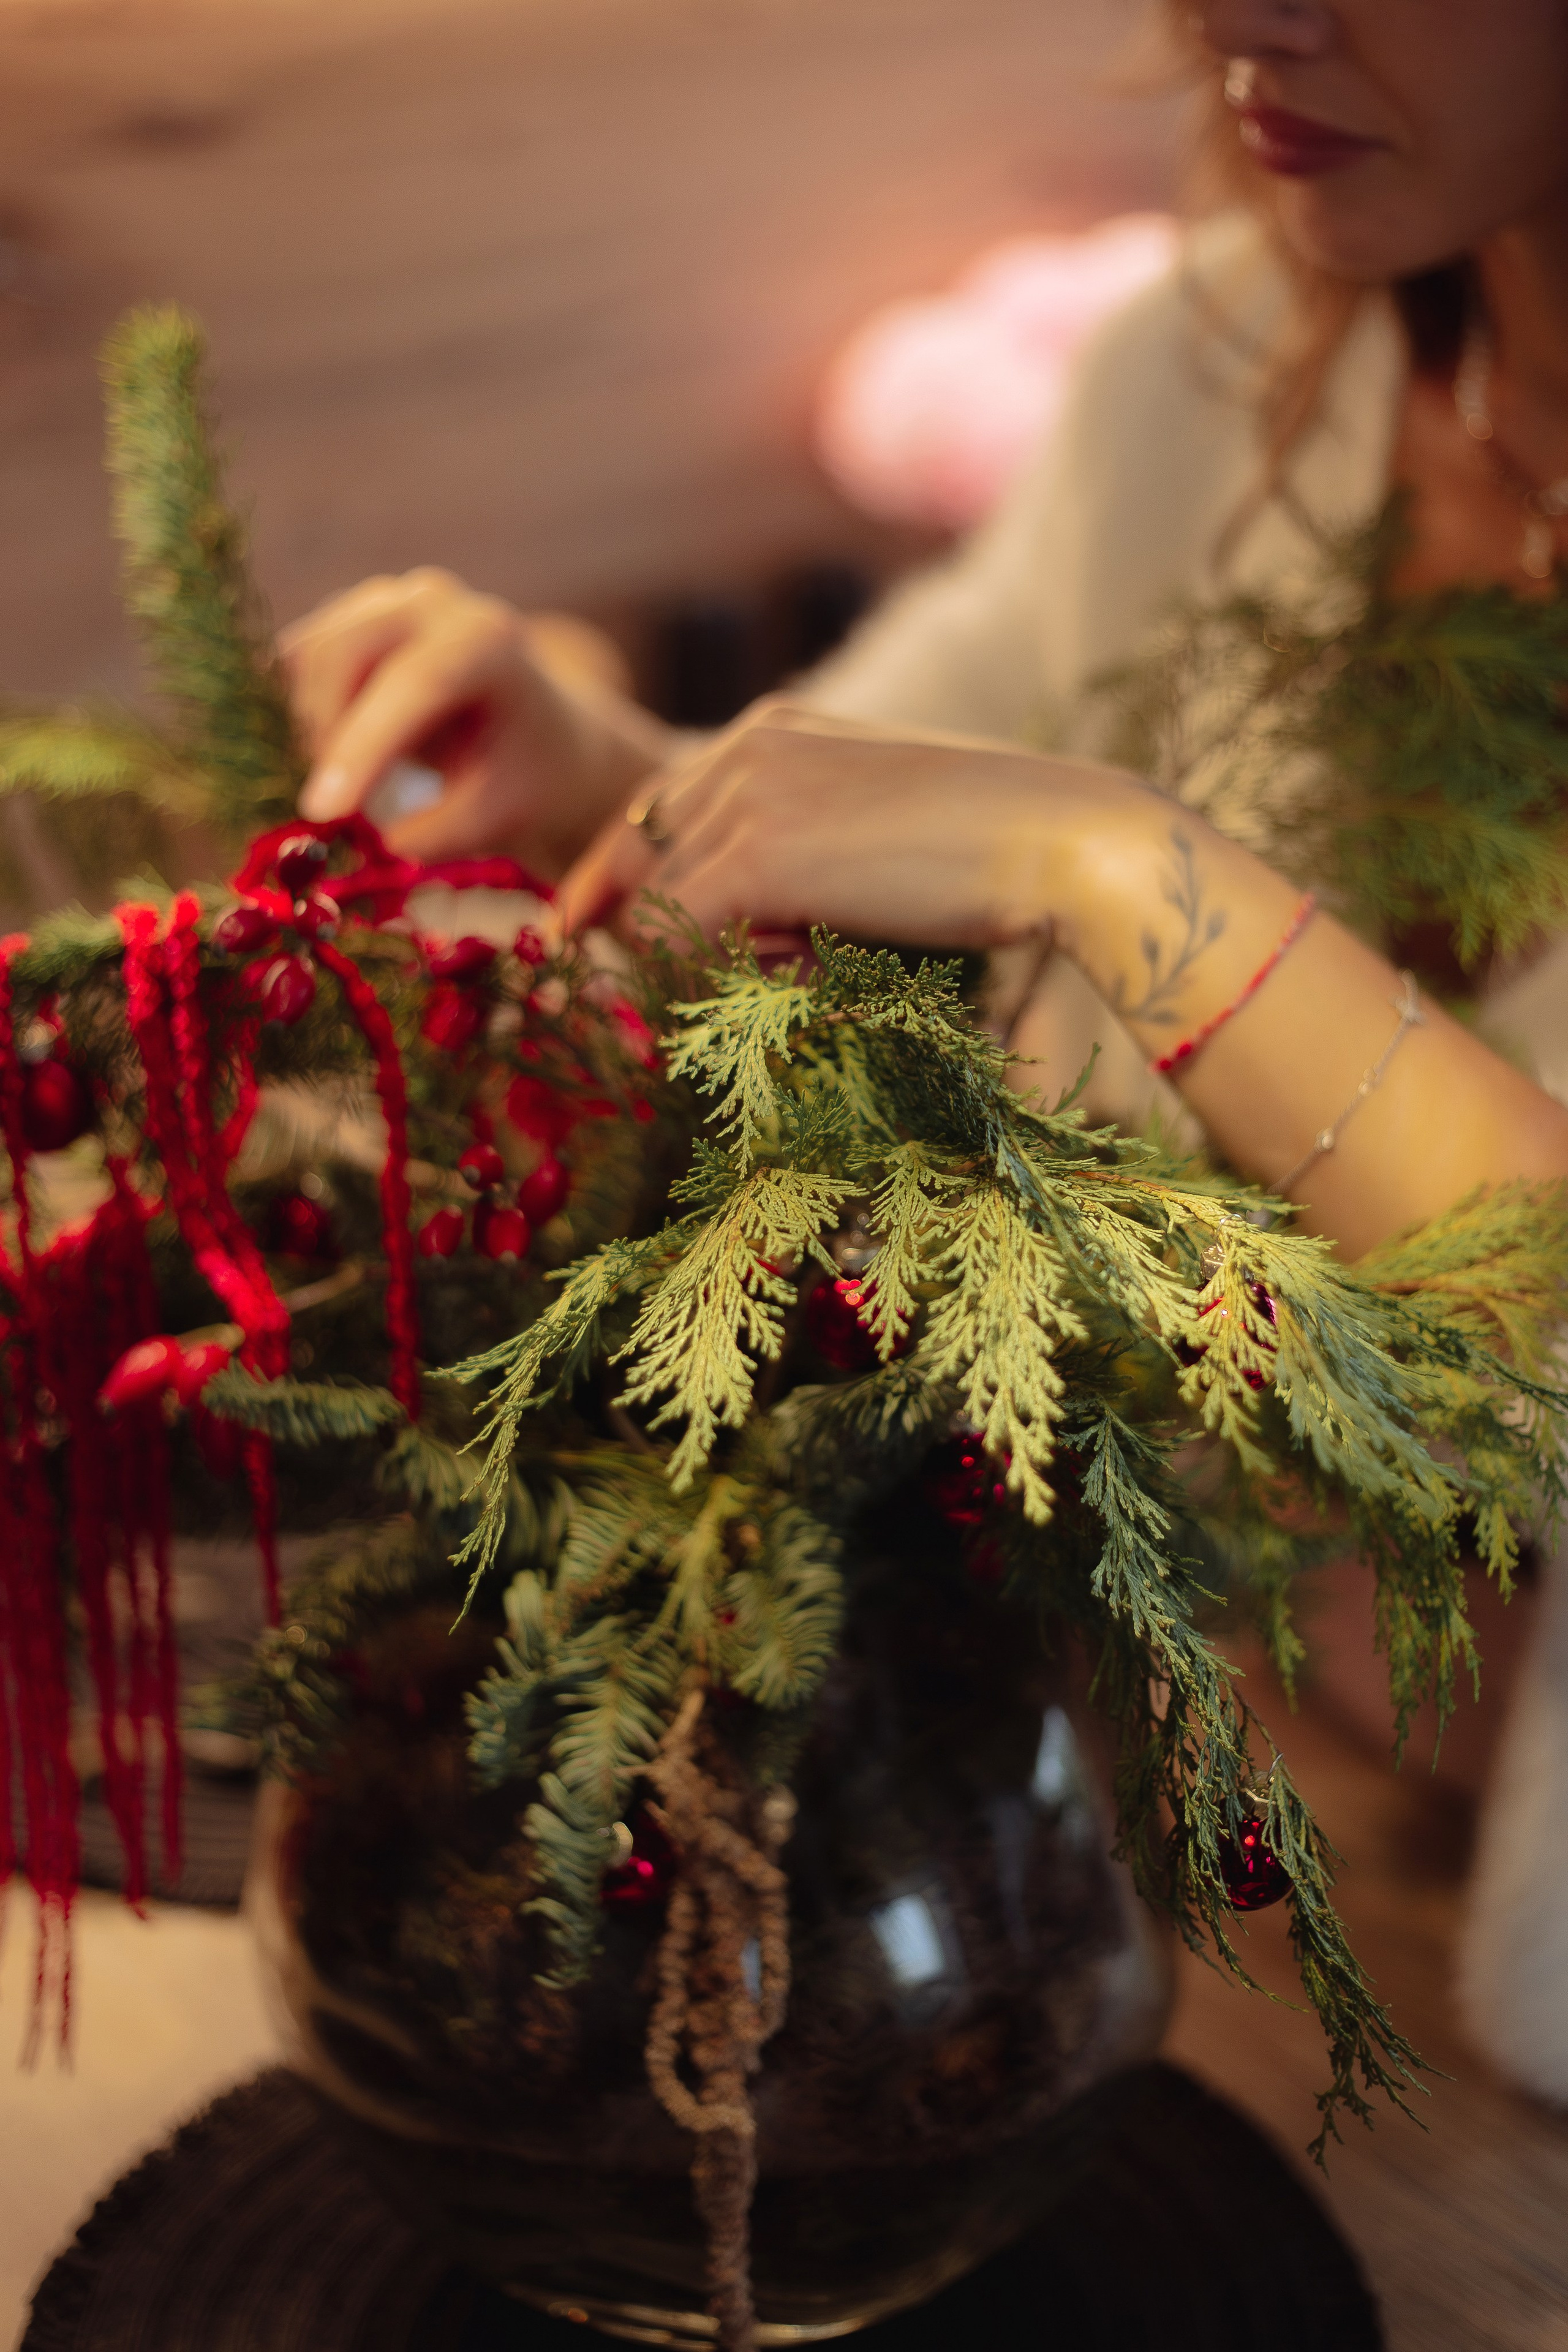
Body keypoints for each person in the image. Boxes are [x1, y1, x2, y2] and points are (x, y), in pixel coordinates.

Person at [279, 0, 1568, 2101]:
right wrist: (601, 764)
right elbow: (903, 822)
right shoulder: (1224, 360)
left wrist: (1124, 869)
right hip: (1204, 1809)